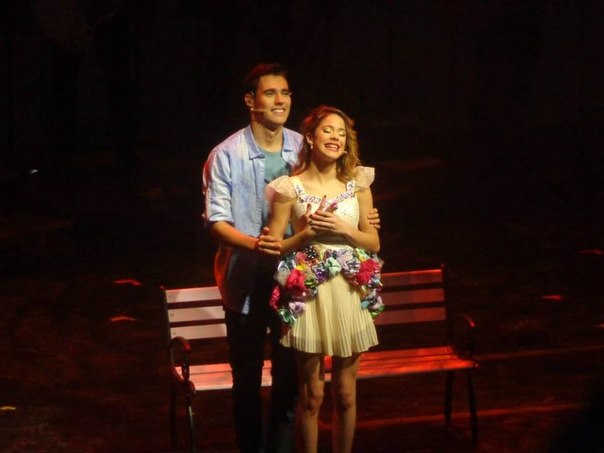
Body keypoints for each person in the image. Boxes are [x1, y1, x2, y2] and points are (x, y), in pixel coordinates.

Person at [203, 65, 381, 453]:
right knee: (247, 383)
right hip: (248, 279)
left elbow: (342, 194)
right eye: (270, 93)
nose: (280, 100)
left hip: (298, 285)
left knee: (291, 386)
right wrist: (261, 246)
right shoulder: (227, 155)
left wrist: (356, 221)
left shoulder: (303, 145)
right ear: (250, 101)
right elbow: (217, 223)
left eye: (285, 93)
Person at [265, 105, 383, 453]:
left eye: (342, 133)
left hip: (348, 292)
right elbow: (274, 246)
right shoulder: (290, 187)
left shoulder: (357, 185)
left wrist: (345, 229)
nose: (336, 137)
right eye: (328, 130)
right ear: (311, 137)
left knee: (345, 393)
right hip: (310, 297)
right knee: (312, 394)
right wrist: (305, 235)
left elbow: (373, 242)